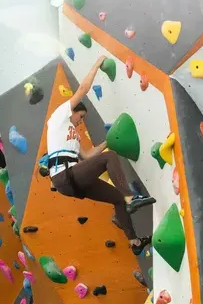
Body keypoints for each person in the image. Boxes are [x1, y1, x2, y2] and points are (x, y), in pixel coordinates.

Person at [45, 55, 155, 254]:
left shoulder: (74, 138)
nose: (81, 121)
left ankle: (135, 243)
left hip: (73, 183)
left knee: (116, 199)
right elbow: (83, 90)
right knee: (109, 158)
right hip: (64, 176)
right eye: (81, 117)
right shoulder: (59, 117)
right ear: (73, 111)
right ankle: (131, 198)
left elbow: (87, 156)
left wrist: (108, 141)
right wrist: (96, 64)